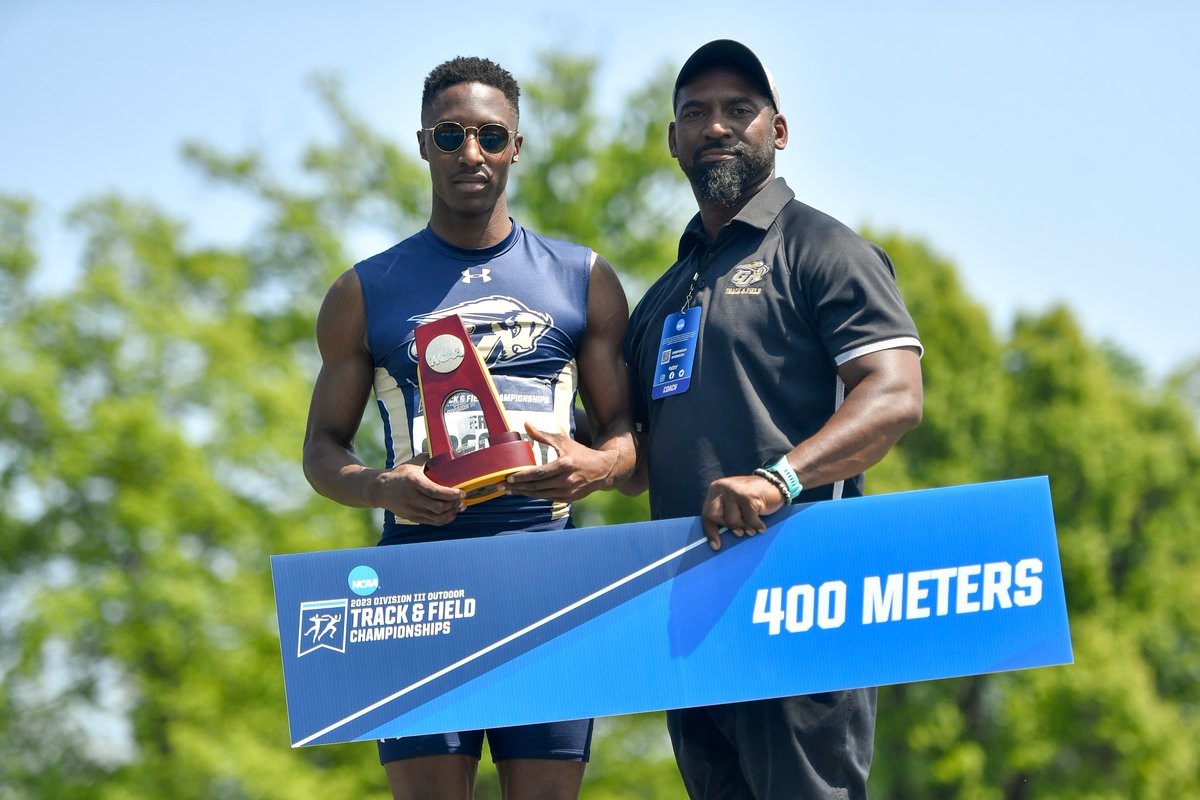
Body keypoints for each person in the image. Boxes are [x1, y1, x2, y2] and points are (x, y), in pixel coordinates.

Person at [302, 56, 636, 800]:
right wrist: (379, 487)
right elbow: (321, 450)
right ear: (423, 145)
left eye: (491, 135)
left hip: (549, 579)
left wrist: (596, 467)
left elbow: (627, 431)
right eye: (450, 136)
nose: (471, 154)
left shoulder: (582, 277)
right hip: (415, 584)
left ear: (518, 146)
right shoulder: (363, 291)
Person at [622, 40, 924, 799]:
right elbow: (634, 461)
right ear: (672, 140)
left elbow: (893, 394)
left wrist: (778, 479)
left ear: (778, 131)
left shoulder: (824, 249)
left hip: (802, 607)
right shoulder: (660, 297)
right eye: (695, 113)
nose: (716, 126)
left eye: (738, 110)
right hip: (689, 619)